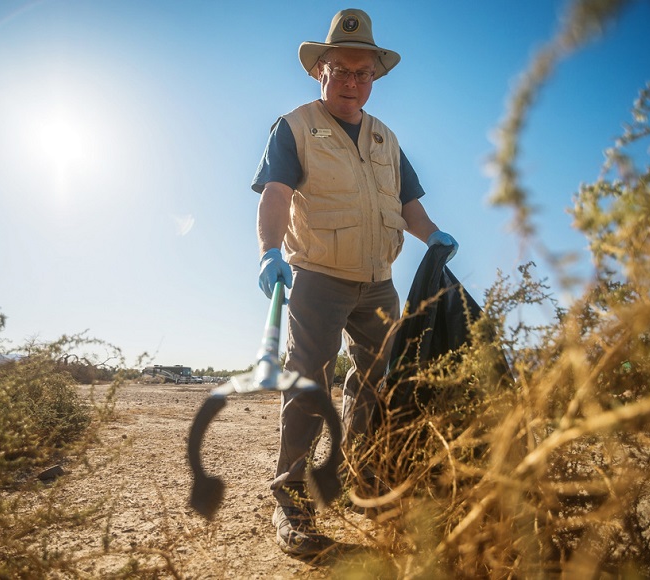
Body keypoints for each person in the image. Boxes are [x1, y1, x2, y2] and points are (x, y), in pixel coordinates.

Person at [251, 8, 458, 556]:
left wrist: (434, 235)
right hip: (317, 277)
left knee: (377, 381)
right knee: (308, 383)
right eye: (340, 70)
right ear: (320, 69)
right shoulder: (295, 126)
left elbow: (408, 203)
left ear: (375, 78)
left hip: (378, 285)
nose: (351, 82)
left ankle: (359, 478)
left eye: (361, 72)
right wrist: (270, 251)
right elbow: (274, 193)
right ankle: (290, 501)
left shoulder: (386, 139)